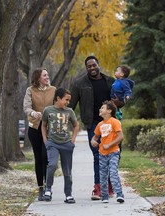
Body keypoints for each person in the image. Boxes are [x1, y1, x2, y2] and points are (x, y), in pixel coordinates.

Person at [69, 55, 123, 200]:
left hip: (111, 122)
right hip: (93, 123)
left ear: (98, 65)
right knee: (98, 155)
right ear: (87, 68)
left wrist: (120, 101)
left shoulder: (110, 81)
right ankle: (98, 188)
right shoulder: (79, 83)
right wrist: (69, 122)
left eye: (94, 65)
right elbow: (70, 106)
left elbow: (120, 101)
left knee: (114, 154)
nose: (92, 68)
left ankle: (110, 186)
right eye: (89, 66)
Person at [41, 88, 79, 204]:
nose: (68, 102)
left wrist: (72, 140)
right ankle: (48, 189)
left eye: (69, 100)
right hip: (53, 143)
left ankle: (68, 194)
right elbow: (43, 126)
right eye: (66, 100)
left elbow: (76, 126)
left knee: (67, 171)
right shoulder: (48, 110)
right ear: (58, 98)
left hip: (66, 144)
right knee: (52, 165)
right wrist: (46, 141)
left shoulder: (69, 111)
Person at [23, 68, 56, 201]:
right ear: (38, 78)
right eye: (45, 75)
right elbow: (26, 107)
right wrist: (33, 113)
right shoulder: (30, 90)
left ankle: (48, 188)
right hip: (35, 128)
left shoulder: (53, 90)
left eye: (47, 74)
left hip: (49, 128)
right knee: (38, 158)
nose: (47, 77)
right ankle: (40, 188)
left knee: (46, 157)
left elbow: (58, 105)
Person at [91, 100, 125, 203]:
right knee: (103, 175)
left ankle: (119, 194)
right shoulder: (100, 124)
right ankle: (104, 196)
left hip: (113, 152)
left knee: (113, 172)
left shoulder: (115, 122)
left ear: (109, 111)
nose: (100, 109)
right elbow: (95, 137)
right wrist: (93, 141)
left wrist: (109, 145)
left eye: (102, 108)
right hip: (102, 154)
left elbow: (120, 137)